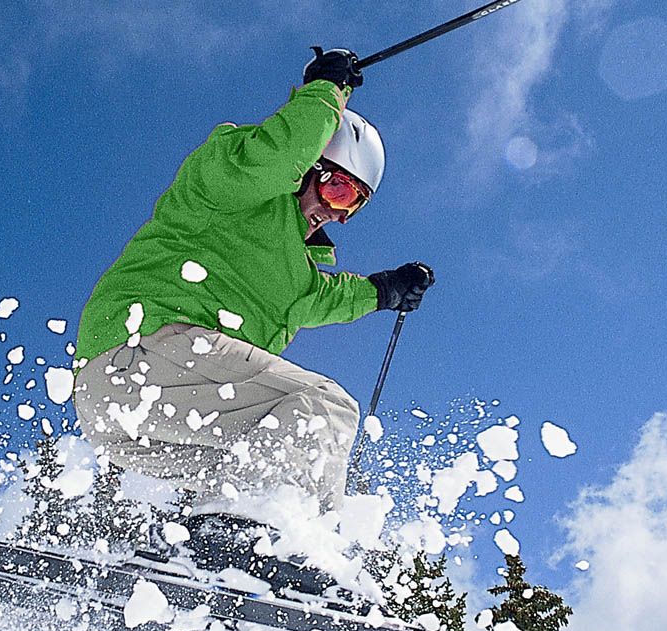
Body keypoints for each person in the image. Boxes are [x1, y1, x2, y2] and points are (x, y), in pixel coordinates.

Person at [73, 49, 434, 592]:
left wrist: (384, 291)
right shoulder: (229, 185)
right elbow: (277, 153)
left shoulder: (296, 274)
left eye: (354, 204)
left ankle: (211, 586)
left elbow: (328, 298)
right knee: (324, 409)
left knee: (258, 458)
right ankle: (246, 547)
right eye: (337, 188)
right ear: (307, 168)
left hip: (141, 427)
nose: (337, 211)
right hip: (143, 348)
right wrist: (325, 93)